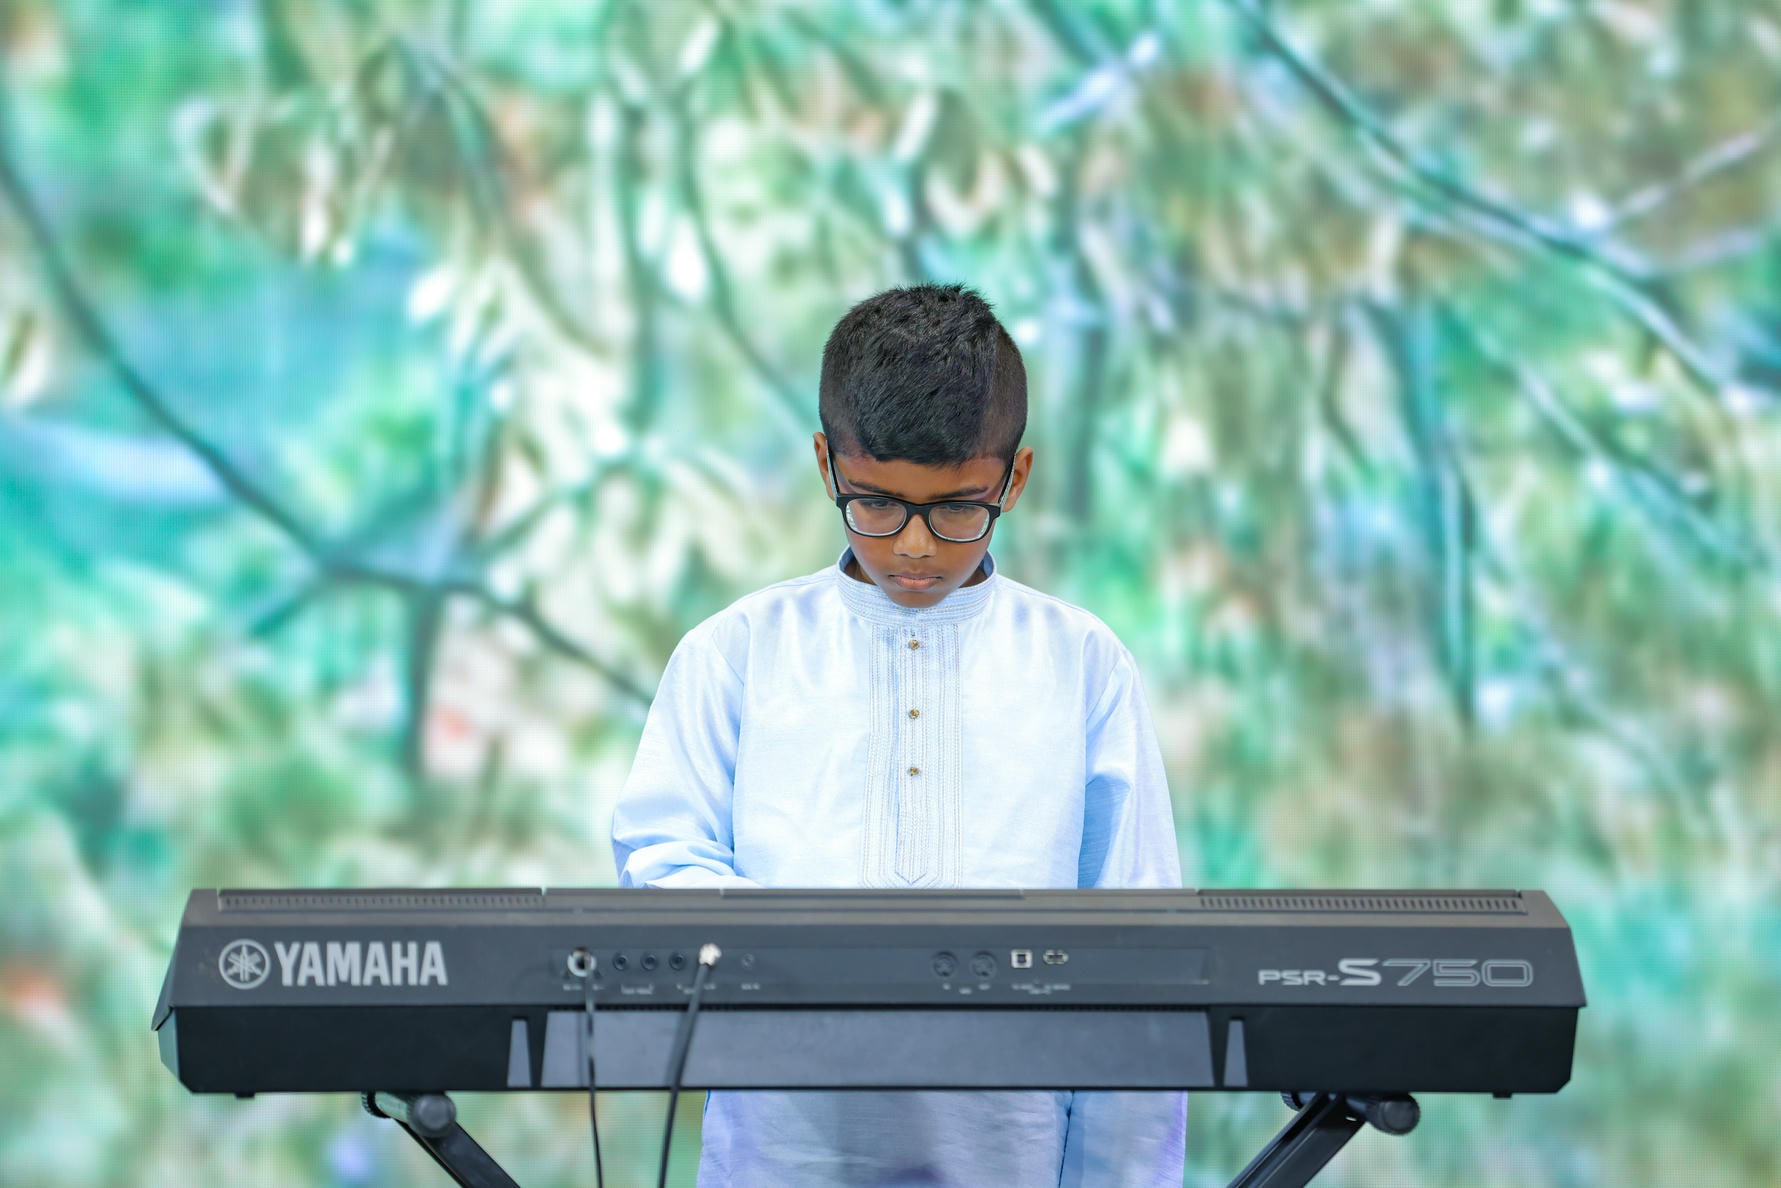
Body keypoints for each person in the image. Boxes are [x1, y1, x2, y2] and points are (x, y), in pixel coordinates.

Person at [610, 283, 1186, 1187]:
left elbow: (1138, 950)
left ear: (1014, 480)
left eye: (956, 508)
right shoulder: (738, 650)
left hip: (1014, 1153)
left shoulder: (1080, 660)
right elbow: (661, 864)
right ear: (826, 464)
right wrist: (820, 955)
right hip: (780, 1152)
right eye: (877, 504)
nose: (914, 547)